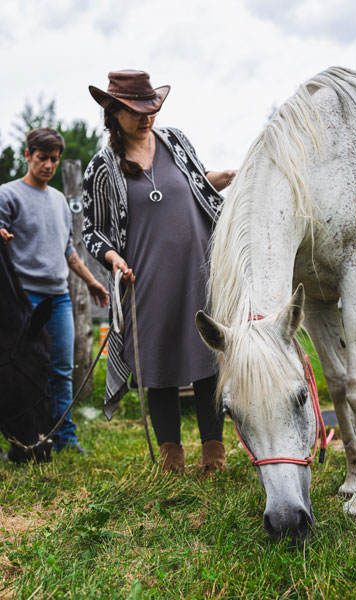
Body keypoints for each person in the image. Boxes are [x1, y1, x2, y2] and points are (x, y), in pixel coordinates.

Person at [83, 69, 236, 473]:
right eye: (135, 110)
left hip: (197, 272)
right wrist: (113, 258)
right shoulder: (103, 166)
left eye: (151, 107)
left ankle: (214, 454)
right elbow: (92, 232)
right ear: (113, 112)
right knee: (159, 365)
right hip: (145, 280)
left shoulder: (176, 142)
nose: (146, 117)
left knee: (207, 361)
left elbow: (196, 187)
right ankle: (171, 459)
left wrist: (225, 178)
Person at [0, 127, 109, 453]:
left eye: (54, 160)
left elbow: (68, 251)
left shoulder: (59, 200)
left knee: (62, 370)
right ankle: (14, 435)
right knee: (14, 369)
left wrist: (91, 280)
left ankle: (63, 438)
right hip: (21, 300)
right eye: (42, 158)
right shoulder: (8, 194)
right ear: (27, 155)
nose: (49, 165)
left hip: (57, 297)